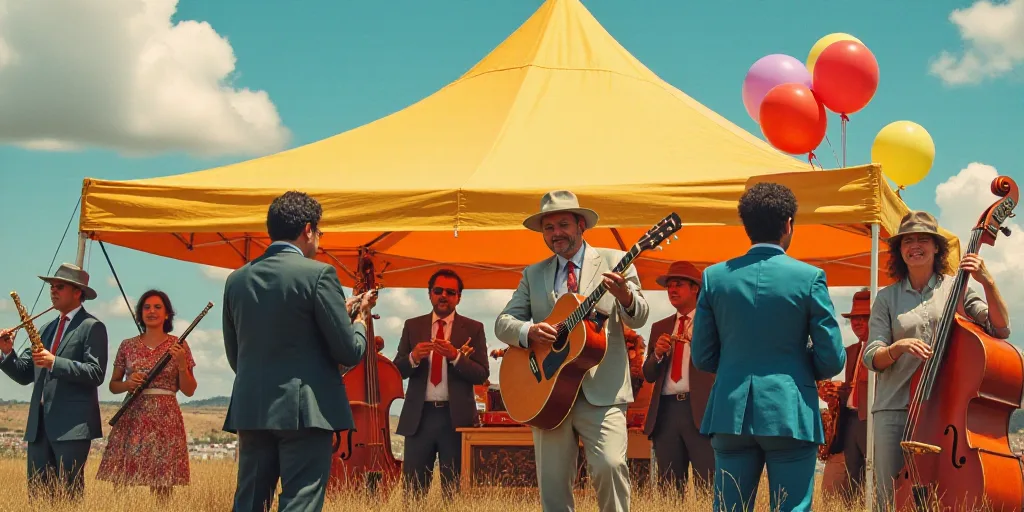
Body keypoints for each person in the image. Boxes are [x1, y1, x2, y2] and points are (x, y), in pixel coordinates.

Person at [690, 182, 846, 512]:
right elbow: (832, 359)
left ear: (746, 225)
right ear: (788, 224)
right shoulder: (809, 277)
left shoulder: (714, 278)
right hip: (790, 410)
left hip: (730, 410)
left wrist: (735, 361)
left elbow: (702, 356)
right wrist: (799, 363)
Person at [495, 189, 649, 512]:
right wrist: (528, 331)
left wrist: (625, 296)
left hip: (603, 392)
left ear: (581, 225)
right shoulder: (533, 273)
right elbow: (503, 323)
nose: (556, 233)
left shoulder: (615, 260)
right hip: (547, 393)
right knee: (552, 486)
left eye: (563, 225)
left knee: (610, 467)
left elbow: (640, 316)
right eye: (548, 228)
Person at [222, 190, 374, 512]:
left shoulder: (236, 280)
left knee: (249, 502)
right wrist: (360, 321)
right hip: (305, 411)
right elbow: (349, 351)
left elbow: (237, 356)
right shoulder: (319, 274)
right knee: (300, 501)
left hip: (252, 406)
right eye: (319, 232)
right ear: (308, 229)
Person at [861, 210, 1011, 509]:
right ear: (899, 250)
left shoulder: (957, 288)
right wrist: (897, 347)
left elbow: (1000, 328)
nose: (914, 246)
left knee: (942, 494)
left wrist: (988, 282)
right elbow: (871, 357)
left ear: (936, 248)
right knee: (888, 498)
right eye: (907, 241)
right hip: (894, 408)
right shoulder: (886, 298)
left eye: (923, 240)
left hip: (945, 413)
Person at [0, 263, 108, 502]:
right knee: (38, 498)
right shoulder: (46, 328)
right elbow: (24, 374)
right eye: (51, 286)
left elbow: (96, 373)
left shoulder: (92, 327)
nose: (53, 291)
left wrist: (54, 362)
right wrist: (7, 353)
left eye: (59, 286)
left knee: (68, 497)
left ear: (77, 292)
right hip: (39, 427)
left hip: (72, 428)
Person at [393, 269, 489, 501]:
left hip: (456, 420)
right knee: (413, 494)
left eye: (450, 292)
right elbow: (397, 371)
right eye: (438, 291)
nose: (443, 296)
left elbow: (481, 374)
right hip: (419, 418)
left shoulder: (473, 328)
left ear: (459, 297)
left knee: (454, 494)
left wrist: (456, 356)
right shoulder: (413, 326)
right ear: (429, 294)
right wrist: (413, 357)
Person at [96, 289, 197, 500]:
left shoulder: (179, 345)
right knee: (123, 476)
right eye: (147, 307)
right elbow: (113, 385)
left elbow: (189, 390)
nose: (152, 311)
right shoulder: (127, 345)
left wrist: (181, 363)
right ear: (140, 314)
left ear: (167, 314)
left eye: (158, 307)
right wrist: (129, 384)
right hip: (132, 415)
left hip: (165, 417)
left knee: (162, 479)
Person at [641, 260, 715, 497]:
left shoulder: (712, 324)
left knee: (709, 487)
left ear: (695, 289)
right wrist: (657, 354)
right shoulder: (660, 327)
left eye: (678, 284)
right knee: (669, 490)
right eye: (669, 285)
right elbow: (648, 374)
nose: (672, 289)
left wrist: (699, 344)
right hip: (666, 412)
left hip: (702, 411)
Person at [820, 288, 870, 503]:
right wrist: (836, 392)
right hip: (850, 419)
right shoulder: (849, 351)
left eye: (864, 317)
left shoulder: (884, 350)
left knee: (874, 472)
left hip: (871, 419)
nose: (857, 322)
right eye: (854, 318)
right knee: (853, 474)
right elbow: (851, 387)